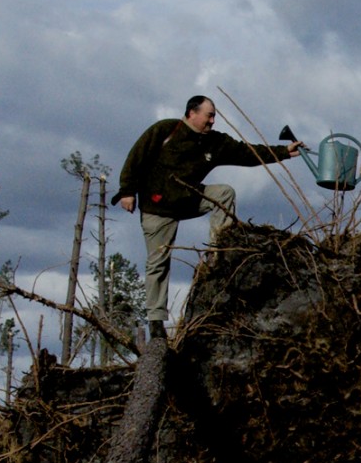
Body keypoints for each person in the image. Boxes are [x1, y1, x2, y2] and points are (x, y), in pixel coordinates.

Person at [112, 96, 302, 339]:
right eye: (209, 116)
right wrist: (127, 191)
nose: (212, 121)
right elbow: (135, 158)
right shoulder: (165, 130)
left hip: (189, 198)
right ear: (192, 113)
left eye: (214, 116)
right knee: (158, 262)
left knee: (223, 193)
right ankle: (156, 322)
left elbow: (247, 153)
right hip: (157, 206)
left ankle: (219, 254)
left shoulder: (214, 142)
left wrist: (283, 152)